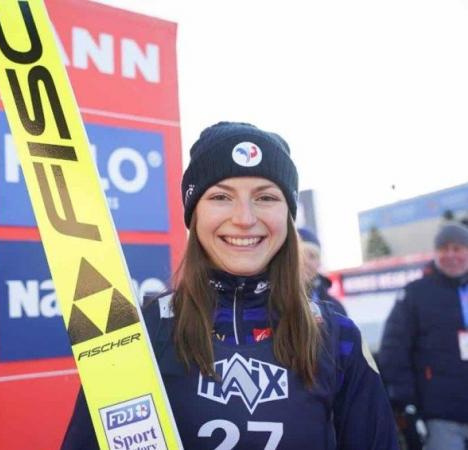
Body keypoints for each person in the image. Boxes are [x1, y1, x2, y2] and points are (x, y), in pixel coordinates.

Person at [61, 122, 398, 449]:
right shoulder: (142, 334)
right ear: (194, 214)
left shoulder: (337, 336)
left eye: (265, 198)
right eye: (221, 197)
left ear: (288, 214)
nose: (245, 218)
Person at [379, 222, 468, 450]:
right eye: (443, 249)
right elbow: (394, 350)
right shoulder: (415, 294)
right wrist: (406, 403)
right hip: (440, 415)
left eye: (457, 249)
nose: (451, 255)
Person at [298, 227, 348, 316]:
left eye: (312, 256)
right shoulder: (273, 304)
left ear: (319, 263)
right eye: (300, 255)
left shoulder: (335, 308)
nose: (306, 262)